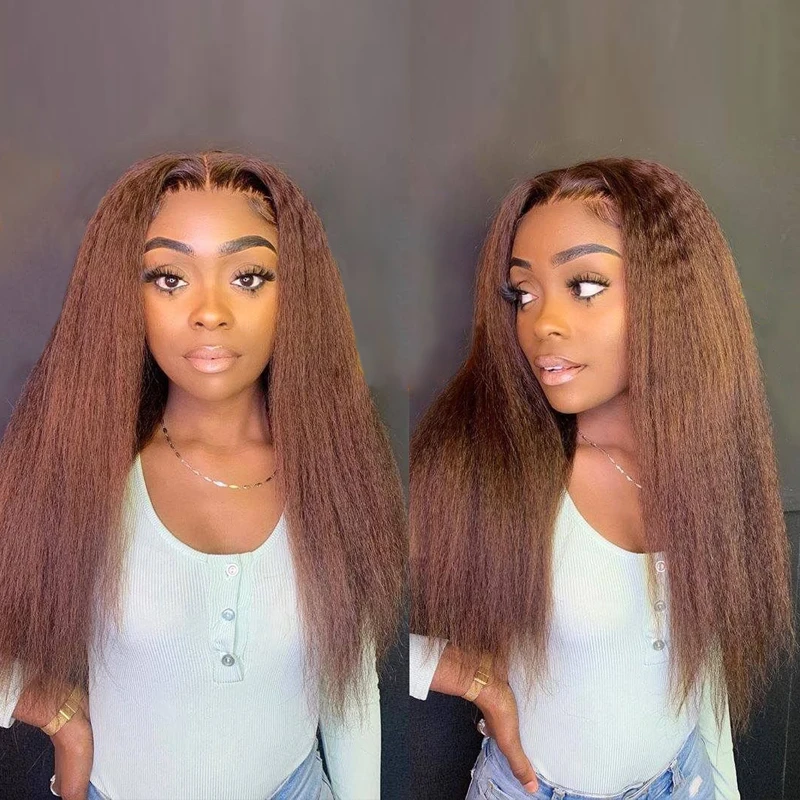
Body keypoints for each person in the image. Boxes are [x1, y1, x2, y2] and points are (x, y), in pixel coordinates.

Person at [0, 151, 404, 800]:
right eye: (169, 278)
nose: (209, 312)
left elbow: (348, 685)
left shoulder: (332, 472)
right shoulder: (83, 468)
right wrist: (62, 722)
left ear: (294, 292)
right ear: (126, 293)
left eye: (248, 277)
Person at [409, 158, 794, 800]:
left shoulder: (707, 466)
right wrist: (468, 679)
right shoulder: (488, 465)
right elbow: (329, 625)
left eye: (583, 285)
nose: (542, 323)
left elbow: (700, 673)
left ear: (672, 295)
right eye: (523, 294)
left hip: (683, 781)